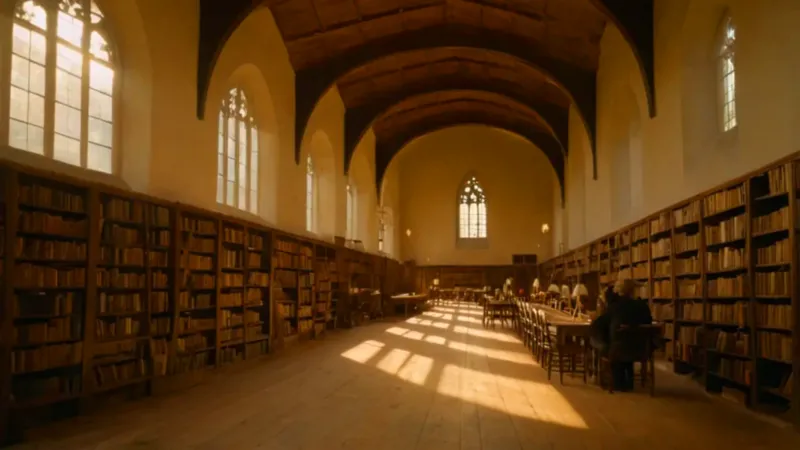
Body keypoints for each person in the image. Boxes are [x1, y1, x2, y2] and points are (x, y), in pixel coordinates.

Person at [590, 279, 653, 391]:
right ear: (634, 291)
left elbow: (599, 324)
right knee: (624, 344)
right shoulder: (642, 306)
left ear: (619, 292)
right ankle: (628, 381)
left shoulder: (615, 307)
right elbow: (648, 322)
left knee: (602, 339)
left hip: (618, 350)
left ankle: (613, 380)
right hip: (640, 349)